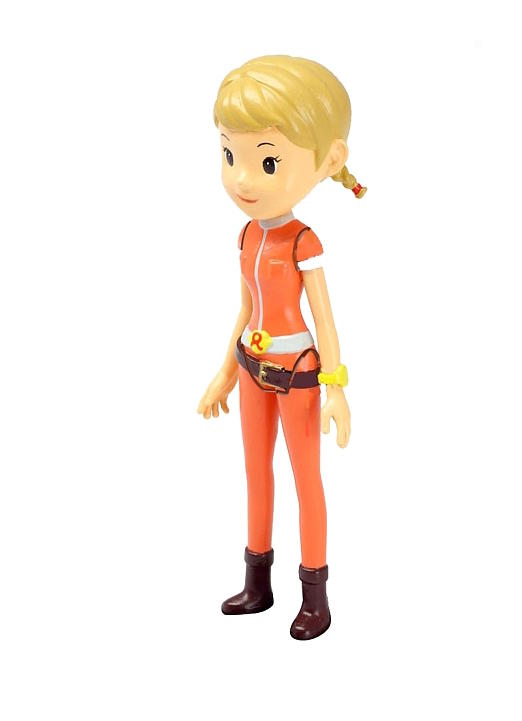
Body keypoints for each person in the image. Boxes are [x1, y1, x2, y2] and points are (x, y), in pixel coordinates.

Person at [197, 55, 366, 640]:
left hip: (297, 373)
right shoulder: (247, 234)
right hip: (251, 368)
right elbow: (246, 310)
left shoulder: (303, 242)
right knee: (256, 474)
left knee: (305, 479)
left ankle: (315, 596)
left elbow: (325, 321)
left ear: (329, 161)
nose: (243, 179)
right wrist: (224, 371)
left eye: (267, 161)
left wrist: (336, 390)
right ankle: (258, 583)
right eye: (230, 155)